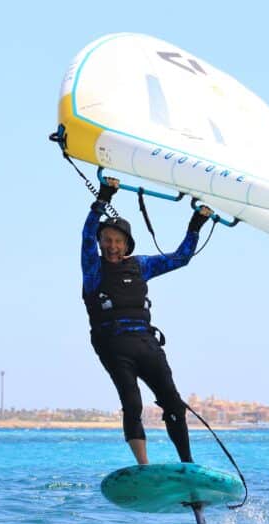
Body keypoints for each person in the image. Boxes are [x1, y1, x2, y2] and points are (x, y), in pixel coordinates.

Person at [81, 177, 212, 465]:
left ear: (127, 245)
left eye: (118, 242)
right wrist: (103, 199)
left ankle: (187, 465)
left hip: (146, 344)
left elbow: (180, 259)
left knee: (174, 403)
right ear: (100, 243)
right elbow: (87, 234)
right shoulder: (93, 269)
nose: (112, 246)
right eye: (107, 241)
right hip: (113, 345)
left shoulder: (141, 265)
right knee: (132, 403)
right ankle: (143, 466)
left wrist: (196, 225)